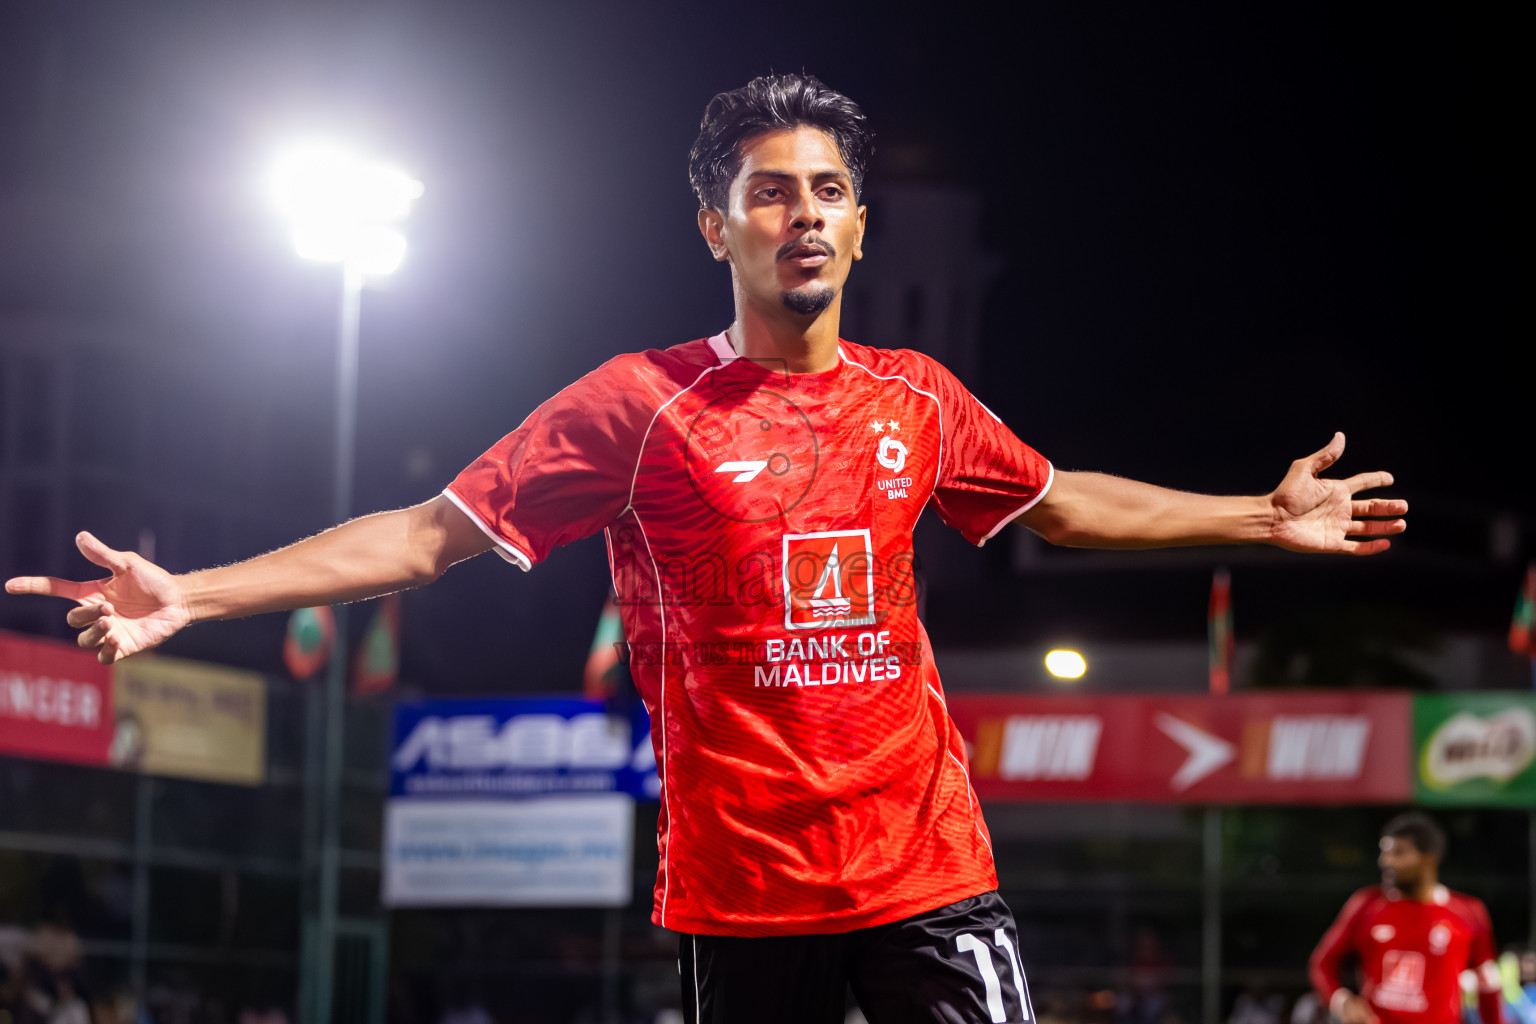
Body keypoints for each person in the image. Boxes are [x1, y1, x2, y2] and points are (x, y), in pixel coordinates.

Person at [5, 73, 1408, 1023]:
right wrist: (194, 588)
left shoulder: (918, 396)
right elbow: (431, 537)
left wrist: (1258, 516)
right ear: (714, 224)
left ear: (862, 227)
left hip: (926, 872)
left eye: (825, 191)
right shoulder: (638, 405)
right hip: (739, 901)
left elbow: (1059, 502)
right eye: (768, 190)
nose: (801, 212)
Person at [1309, 813, 1503, 1024]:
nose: (1386, 862)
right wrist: (1342, 1000)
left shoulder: (1468, 911)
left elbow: (1488, 982)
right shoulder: (1366, 904)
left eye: (1398, 853)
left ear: (1429, 857)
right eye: (1384, 853)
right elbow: (1322, 963)